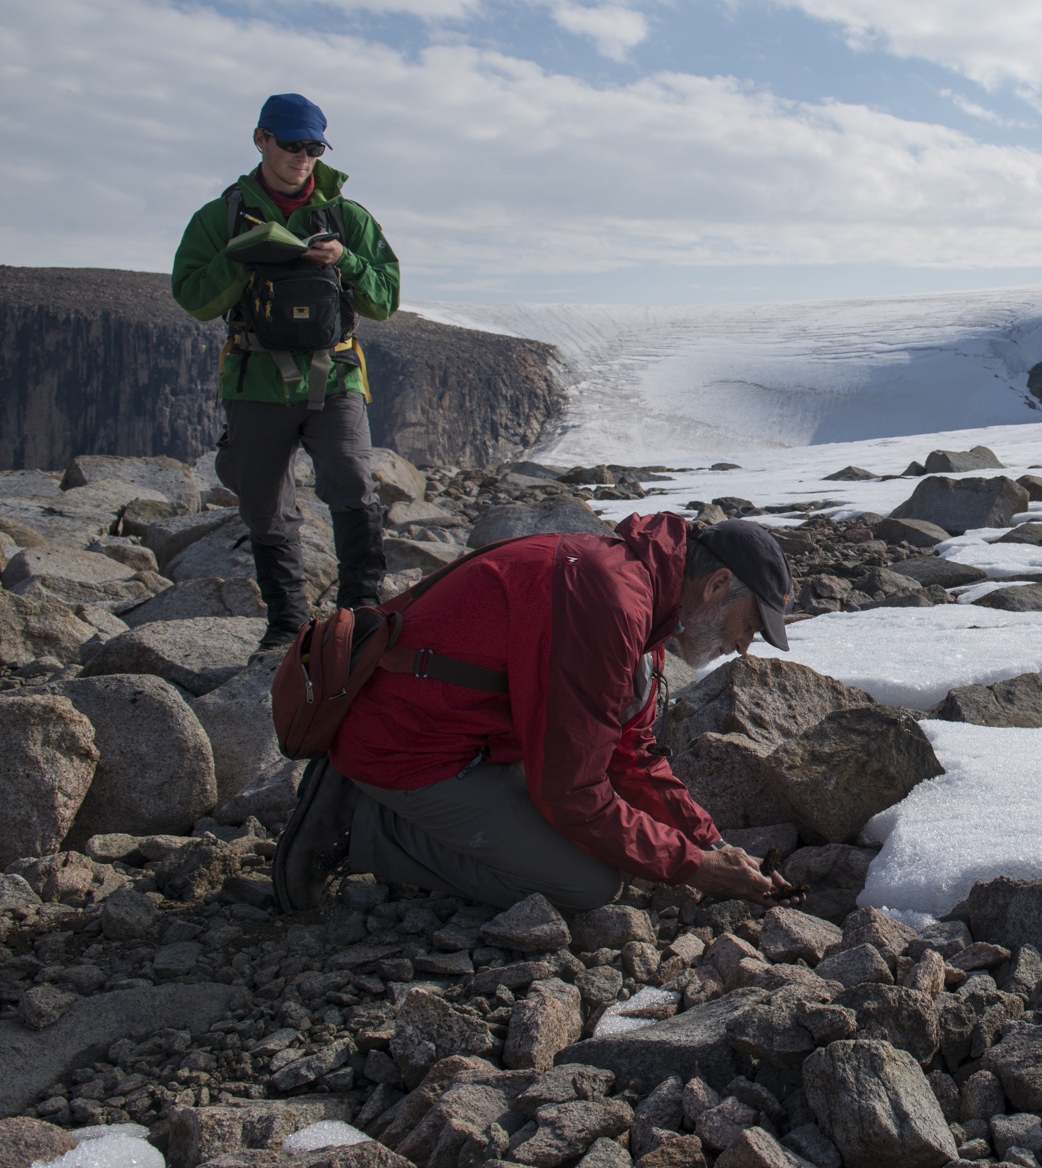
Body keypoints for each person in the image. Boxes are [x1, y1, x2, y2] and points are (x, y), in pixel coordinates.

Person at [272, 515, 797, 913]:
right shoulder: (610, 606)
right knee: (588, 883)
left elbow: (629, 751)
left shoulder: (647, 597)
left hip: (468, 734)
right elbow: (570, 793)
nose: (746, 646)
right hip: (405, 744)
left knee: (611, 842)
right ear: (717, 585)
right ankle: (363, 823)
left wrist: (709, 841)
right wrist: (694, 868)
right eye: (751, 625)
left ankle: (392, 806)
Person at [171, 94, 400, 652]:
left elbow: (385, 298)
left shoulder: (348, 217)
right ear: (260, 139)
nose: (302, 157)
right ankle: (286, 627)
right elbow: (194, 298)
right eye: (291, 144)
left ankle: (360, 615)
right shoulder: (220, 216)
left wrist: (344, 259)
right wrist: (241, 255)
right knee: (263, 504)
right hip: (255, 381)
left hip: (336, 376)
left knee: (350, 478)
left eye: (313, 147)